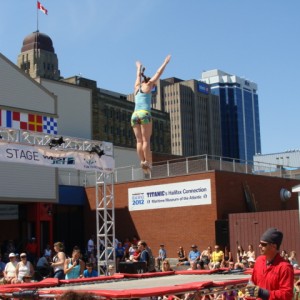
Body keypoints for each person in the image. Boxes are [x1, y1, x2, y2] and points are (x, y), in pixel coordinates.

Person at [131, 55, 171, 173]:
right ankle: (147, 162)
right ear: (149, 83)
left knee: (139, 141)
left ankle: (142, 161)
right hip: (144, 114)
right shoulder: (148, 86)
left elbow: (138, 76)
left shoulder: (136, 87)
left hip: (134, 115)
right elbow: (158, 73)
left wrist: (138, 67)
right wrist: (165, 62)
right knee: (146, 140)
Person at [245, 227, 294, 299]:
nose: (259, 246)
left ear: (274, 246)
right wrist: (248, 295)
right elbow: (252, 283)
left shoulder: (285, 267)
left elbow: (287, 294)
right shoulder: (259, 261)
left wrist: (264, 293)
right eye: (260, 243)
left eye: (263, 244)